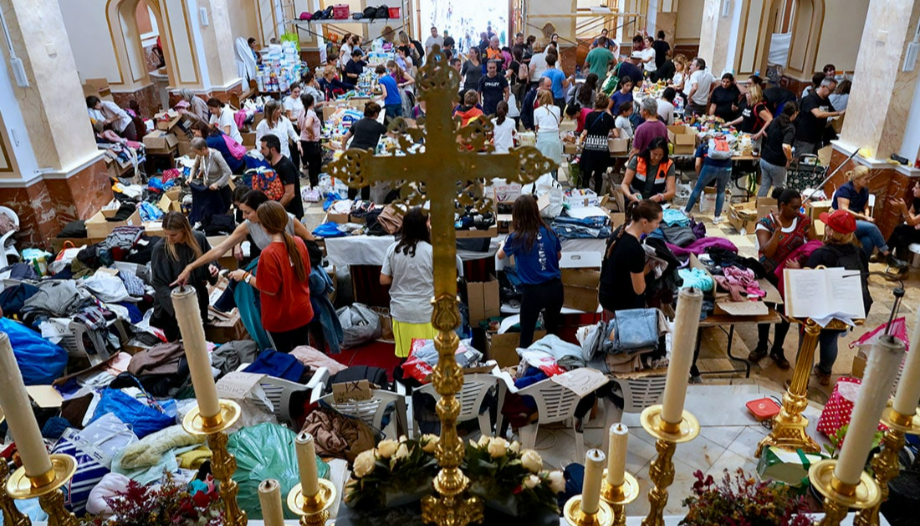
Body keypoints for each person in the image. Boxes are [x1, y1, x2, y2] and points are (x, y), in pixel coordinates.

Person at [173, 191, 315, 288]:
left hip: (294, 280)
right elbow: (220, 248)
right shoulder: (249, 226)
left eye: (247, 212)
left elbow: (311, 243)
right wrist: (190, 267)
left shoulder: (288, 221)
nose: (243, 217)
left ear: (261, 210)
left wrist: (245, 276)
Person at [228, 201, 313, 353]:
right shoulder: (299, 242)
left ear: (264, 226)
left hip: (280, 319)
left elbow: (269, 289)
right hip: (302, 312)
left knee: (285, 362)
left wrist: (245, 276)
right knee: (307, 356)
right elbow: (306, 272)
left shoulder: (269, 254)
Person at [749, 188, 815, 369]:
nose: (798, 211)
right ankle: (762, 345)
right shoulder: (765, 224)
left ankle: (777, 348)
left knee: (786, 312)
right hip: (769, 273)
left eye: (800, 207)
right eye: (794, 208)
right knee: (767, 310)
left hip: (790, 275)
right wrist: (778, 231)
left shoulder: (804, 222)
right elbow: (767, 251)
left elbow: (813, 246)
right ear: (782, 206)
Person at [806, 209, 870, 385]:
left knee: (808, 343)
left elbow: (808, 280)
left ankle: (801, 383)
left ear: (830, 231)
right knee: (831, 339)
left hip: (821, 308)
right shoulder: (859, 252)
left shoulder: (821, 253)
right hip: (845, 306)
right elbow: (866, 275)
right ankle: (825, 373)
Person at [497, 195, 563, 348]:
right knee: (552, 334)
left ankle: (525, 369)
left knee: (526, 337)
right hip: (555, 289)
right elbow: (558, 256)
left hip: (533, 292)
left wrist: (503, 244)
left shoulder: (517, 238)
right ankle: (552, 367)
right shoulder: (549, 232)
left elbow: (500, 255)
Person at [378, 208, 438, 357]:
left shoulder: (393, 249)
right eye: (429, 221)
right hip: (426, 312)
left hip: (401, 312)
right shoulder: (432, 252)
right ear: (424, 226)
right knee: (428, 359)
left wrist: (399, 277)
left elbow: (383, 279)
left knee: (407, 358)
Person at [151, 212, 216, 341]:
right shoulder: (160, 249)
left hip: (198, 301)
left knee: (200, 343)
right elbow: (159, 285)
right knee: (181, 348)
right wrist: (180, 308)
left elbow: (210, 260)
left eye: (174, 235)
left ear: (184, 231)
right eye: (166, 234)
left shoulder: (199, 239)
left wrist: (212, 268)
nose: (169, 239)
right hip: (174, 310)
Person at [832, 166, 906, 268]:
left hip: (856, 220)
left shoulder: (864, 190)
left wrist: (866, 216)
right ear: (856, 179)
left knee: (868, 240)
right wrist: (863, 218)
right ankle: (887, 255)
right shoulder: (845, 189)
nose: (868, 181)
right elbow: (843, 209)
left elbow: (866, 207)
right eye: (866, 179)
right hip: (842, 221)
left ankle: (862, 266)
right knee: (871, 228)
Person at [599, 199, 663, 315]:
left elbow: (622, 270)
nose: (658, 227)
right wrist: (648, 271)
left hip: (607, 296)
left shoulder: (619, 232)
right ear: (644, 222)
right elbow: (639, 289)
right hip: (621, 307)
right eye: (657, 223)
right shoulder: (634, 249)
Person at [342, 103, 389, 199]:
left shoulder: (358, 123)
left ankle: (349, 202)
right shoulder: (378, 126)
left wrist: (344, 150)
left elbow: (345, 137)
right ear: (375, 114)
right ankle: (364, 204)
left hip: (352, 152)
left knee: (354, 178)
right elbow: (393, 135)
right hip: (365, 155)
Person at [683, 135, 733, 223]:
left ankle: (686, 211)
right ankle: (717, 217)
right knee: (721, 191)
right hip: (726, 167)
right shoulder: (722, 146)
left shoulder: (702, 147)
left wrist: (699, 175)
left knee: (698, 189)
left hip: (710, 167)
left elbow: (697, 164)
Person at [259, 134, 304, 220]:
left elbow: (290, 194)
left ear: (272, 149)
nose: (261, 151)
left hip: (291, 214)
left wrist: (274, 210)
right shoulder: (272, 164)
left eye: (263, 148)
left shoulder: (285, 167)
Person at [758, 103, 798, 197]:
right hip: (776, 163)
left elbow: (765, 132)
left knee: (765, 184)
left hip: (764, 158)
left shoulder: (775, 120)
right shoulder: (790, 127)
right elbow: (785, 146)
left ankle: (758, 207)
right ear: (794, 113)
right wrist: (789, 159)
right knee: (780, 188)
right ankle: (780, 209)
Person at [795, 78, 843, 154]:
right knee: (803, 160)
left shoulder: (826, 100)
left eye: (833, 90)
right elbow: (818, 114)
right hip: (806, 138)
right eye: (830, 90)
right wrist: (838, 113)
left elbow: (832, 111)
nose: (830, 93)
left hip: (818, 137)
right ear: (823, 86)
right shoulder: (811, 98)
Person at [579, 95, 616, 193]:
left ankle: (586, 194)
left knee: (586, 174)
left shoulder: (589, 116)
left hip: (590, 148)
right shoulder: (609, 118)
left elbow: (585, 132)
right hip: (602, 149)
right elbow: (616, 134)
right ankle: (597, 195)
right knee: (599, 176)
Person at [621, 136, 675, 203]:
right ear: (649, 150)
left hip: (655, 203)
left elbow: (671, 192)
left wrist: (661, 197)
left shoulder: (669, 165)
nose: (657, 157)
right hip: (635, 199)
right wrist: (630, 196)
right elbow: (624, 184)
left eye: (660, 155)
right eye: (654, 154)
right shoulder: (637, 160)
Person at [189, 137, 232, 217]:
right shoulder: (200, 156)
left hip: (220, 189)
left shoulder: (216, 155)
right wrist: (191, 177)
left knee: (221, 214)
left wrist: (217, 184)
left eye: (197, 152)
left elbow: (228, 172)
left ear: (203, 149)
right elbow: (194, 166)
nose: (196, 154)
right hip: (208, 188)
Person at [257, 99, 301, 168]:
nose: (280, 110)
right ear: (272, 111)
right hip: (271, 160)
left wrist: (298, 142)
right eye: (277, 109)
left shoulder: (284, 120)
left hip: (286, 155)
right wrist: (265, 157)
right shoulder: (262, 125)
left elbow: (293, 134)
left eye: (280, 108)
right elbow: (259, 143)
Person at [887, 182, 920, 263]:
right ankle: (903, 270)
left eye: (916, 188)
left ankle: (884, 253)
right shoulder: (917, 199)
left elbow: (910, 222)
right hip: (916, 229)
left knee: (900, 228)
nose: (913, 189)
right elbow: (911, 212)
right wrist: (916, 220)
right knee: (901, 239)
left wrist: (903, 208)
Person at [533, 90, 563, 172]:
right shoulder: (557, 109)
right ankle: (552, 183)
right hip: (554, 139)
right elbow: (557, 124)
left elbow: (537, 127)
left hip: (542, 139)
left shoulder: (536, 111)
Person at [298, 93, 322, 188]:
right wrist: (312, 134)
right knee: (314, 165)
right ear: (313, 102)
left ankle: (314, 184)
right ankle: (315, 185)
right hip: (311, 142)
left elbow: (299, 126)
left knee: (311, 165)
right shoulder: (311, 113)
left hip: (303, 141)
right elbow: (308, 125)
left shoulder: (301, 111)